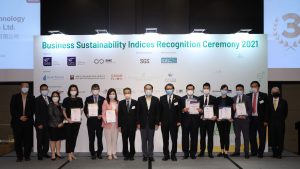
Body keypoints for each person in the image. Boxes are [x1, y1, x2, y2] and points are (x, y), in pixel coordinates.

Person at [10, 82, 35, 162]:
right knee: (18, 140)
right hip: (17, 122)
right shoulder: (14, 97)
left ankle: (27, 156)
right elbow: (12, 109)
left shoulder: (32, 97)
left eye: (27, 86)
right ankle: (19, 156)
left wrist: (26, 117)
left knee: (28, 140)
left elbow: (33, 109)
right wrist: (19, 117)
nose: (26, 88)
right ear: (20, 87)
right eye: (24, 86)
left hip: (28, 121)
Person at [137, 84, 160, 162]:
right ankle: (144, 155)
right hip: (142, 123)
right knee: (144, 140)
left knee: (151, 140)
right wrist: (138, 123)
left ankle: (150, 155)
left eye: (150, 88)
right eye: (146, 88)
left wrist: (157, 123)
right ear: (144, 89)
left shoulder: (156, 99)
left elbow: (158, 112)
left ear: (152, 90)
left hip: (152, 123)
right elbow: (138, 112)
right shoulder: (140, 99)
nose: (148, 90)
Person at [159, 83, 182, 161]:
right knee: (165, 139)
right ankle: (166, 155)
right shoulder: (161, 98)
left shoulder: (178, 98)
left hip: (174, 123)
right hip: (164, 123)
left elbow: (179, 111)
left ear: (173, 89)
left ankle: (173, 155)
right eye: (167, 88)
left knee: (174, 139)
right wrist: (159, 121)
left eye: (170, 88)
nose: (169, 90)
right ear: (165, 90)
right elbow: (160, 111)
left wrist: (179, 121)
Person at [246, 81, 268, 158]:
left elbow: (267, 109)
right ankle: (254, 151)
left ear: (258, 87)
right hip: (251, 119)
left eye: (255, 86)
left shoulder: (264, 95)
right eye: (252, 86)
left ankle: (261, 152)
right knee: (252, 136)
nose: (254, 88)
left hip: (261, 120)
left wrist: (266, 120)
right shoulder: (248, 96)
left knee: (262, 136)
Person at [62, 84, 83, 162]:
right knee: (69, 138)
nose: (73, 91)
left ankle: (72, 153)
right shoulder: (66, 100)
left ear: (77, 91)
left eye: (75, 89)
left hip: (76, 122)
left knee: (74, 138)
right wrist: (67, 118)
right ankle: (69, 154)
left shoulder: (80, 99)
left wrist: (77, 117)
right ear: (69, 91)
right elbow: (63, 110)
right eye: (72, 89)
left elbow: (81, 110)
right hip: (68, 122)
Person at [84, 84, 105, 160]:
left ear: (99, 90)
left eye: (96, 89)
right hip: (90, 122)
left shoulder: (103, 99)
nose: (95, 90)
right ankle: (92, 153)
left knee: (99, 138)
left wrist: (101, 115)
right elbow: (85, 109)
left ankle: (99, 153)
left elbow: (104, 110)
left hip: (99, 122)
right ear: (91, 90)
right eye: (94, 89)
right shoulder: (88, 98)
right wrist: (87, 114)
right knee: (91, 138)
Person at [231, 84, 252, 159]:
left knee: (246, 137)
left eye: (240, 89)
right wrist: (233, 109)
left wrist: (245, 115)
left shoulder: (247, 98)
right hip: (236, 120)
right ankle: (237, 151)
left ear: (243, 90)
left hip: (245, 120)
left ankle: (246, 152)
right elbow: (233, 110)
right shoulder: (233, 98)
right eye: (237, 89)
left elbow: (250, 109)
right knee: (237, 137)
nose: (239, 91)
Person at [181, 84, 202, 159]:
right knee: (185, 138)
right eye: (188, 89)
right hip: (185, 121)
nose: (190, 90)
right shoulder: (182, 98)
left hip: (195, 121)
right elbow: (179, 110)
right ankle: (186, 153)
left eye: (191, 89)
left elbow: (202, 110)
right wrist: (183, 110)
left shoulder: (198, 98)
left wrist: (200, 110)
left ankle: (193, 153)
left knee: (194, 138)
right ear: (186, 90)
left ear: (193, 90)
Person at [198, 82, 218, 158]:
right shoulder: (199, 98)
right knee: (202, 136)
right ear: (203, 89)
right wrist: (200, 113)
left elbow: (216, 109)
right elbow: (197, 110)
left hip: (210, 121)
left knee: (210, 136)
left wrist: (215, 115)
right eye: (205, 88)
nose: (206, 89)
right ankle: (202, 151)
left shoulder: (214, 98)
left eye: (207, 88)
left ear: (209, 89)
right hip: (202, 121)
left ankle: (210, 152)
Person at [268, 87, 288, 159]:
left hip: (280, 123)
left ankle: (279, 153)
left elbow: (285, 113)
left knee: (280, 138)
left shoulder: (284, 101)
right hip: (271, 123)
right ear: (271, 93)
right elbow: (267, 112)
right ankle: (274, 153)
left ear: (279, 92)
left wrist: (280, 120)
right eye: (273, 91)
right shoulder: (268, 101)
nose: (275, 92)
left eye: (276, 91)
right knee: (272, 138)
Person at [118, 87, 138, 161]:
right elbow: (119, 115)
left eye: (128, 92)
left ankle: (132, 154)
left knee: (132, 141)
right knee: (125, 141)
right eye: (125, 93)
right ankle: (126, 154)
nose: (127, 94)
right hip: (124, 126)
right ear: (123, 94)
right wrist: (119, 126)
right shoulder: (121, 102)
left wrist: (137, 124)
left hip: (133, 126)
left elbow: (137, 115)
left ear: (130, 93)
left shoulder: (135, 102)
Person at [216, 84, 234, 158]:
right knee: (221, 136)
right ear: (221, 90)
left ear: (227, 91)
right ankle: (222, 151)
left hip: (227, 121)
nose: (224, 90)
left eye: (226, 89)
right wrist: (217, 117)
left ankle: (226, 151)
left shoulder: (230, 99)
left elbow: (232, 110)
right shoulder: (217, 99)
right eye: (223, 89)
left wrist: (231, 117)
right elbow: (215, 110)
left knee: (226, 136)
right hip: (220, 121)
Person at [35, 84, 51, 160]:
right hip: (40, 124)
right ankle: (40, 155)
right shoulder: (37, 99)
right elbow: (37, 113)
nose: (44, 90)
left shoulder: (50, 98)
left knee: (46, 140)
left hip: (48, 124)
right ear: (40, 90)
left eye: (46, 89)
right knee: (40, 140)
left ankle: (45, 153)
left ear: (48, 90)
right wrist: (39, 123)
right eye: (43, 89)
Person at [102, 88, 119, 160]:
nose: (112, 95)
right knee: (108, 139)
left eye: (113, 94)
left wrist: (116, 111)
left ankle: (114, 153)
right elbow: (103, 113)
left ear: (115, 95)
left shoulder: (118, 102)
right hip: (107, 124)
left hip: (115, 123)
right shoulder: (105, 102)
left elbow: (119, 114)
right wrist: (105, 120)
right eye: (111, 94)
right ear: (108, 94)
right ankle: (109, 154)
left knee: (115, 139)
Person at [48, 91, 65, 160]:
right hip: (53, 126)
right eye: (54, 96)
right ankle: (53, 154)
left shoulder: (61, 105)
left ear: (59, 97)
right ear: (51, 97)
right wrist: (57, 124)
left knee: (58, 139)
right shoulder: (50, 105)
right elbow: (51, 115)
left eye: (56, 96)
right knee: (52, 140)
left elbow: (64, 115)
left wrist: (63, 123)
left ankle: (58, 153)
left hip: (61, 125)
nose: (55, 97)